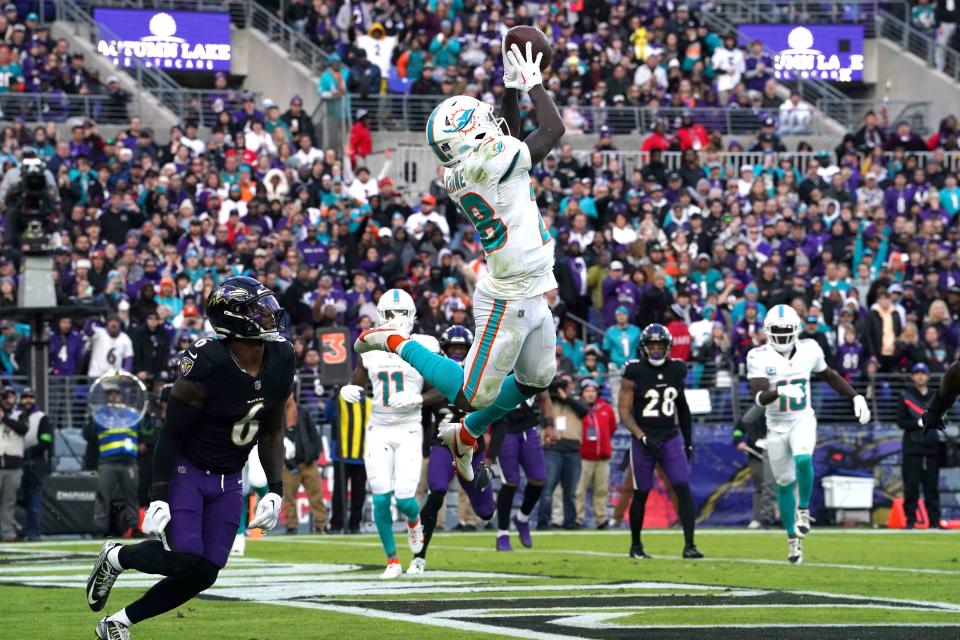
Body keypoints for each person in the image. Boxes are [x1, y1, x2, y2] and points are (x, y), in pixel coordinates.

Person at [354, 41, 565, 485]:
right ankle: (393, 340)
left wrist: (510, 88)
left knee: (538, 377)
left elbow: (505, 132)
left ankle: (466, 433)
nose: (491, 122)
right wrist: (533, 85)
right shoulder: (488, 162)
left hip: (530, 283)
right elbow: (552, 131)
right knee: (472, 392)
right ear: (468, 133)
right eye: (481, 120)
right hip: (508, 296)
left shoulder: (470, 165)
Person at [85, 276, 295, 640]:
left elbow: (272, 428)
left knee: (206, 571)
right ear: (232, 319)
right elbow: (171, 434)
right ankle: (117, 557)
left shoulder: (282, 356)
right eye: (257, 309)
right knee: (183, 558)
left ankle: (118, 622)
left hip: (230, 476)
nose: (268, 314)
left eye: (267, 306)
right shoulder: (207, 362)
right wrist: (159, 495)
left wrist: (275, 490)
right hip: (189, 470)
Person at [747, 304, 871, 565]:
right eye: (777, 330)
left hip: (802, 418)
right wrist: (779, 392)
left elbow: (829, 375)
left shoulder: (810, 349)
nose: (781, 335)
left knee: (803, 459)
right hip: (776, 424)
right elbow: (758, 396)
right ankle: (793, 537)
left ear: (796, 330)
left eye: (786, 330)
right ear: (768, 331)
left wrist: (855, 396)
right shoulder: (758, 356)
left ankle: (803, 509)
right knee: (783, 482)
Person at [339, 289, 433, 579]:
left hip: (409, 427)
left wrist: (419, 399)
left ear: (412, 316)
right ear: (380, 316)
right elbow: (357, 379)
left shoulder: (425, 344)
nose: (394, 319)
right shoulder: (370, 345)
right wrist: (349, 389)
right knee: (380, 498)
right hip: (379, 427)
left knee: (405, 499)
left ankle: (414, 522)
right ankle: (392, 559)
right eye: (389, 314)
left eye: (400, 314)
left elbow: (445, 386)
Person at [410, 325, 495, 573]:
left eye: (462, 348)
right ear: (445, 350)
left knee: (486, 512)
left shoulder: (481, 378)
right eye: (453, 348)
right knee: (436, 491)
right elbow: (425, 413)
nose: (458, 352)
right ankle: (419, 556)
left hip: (473, 449)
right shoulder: (434, 379)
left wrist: (489, 459)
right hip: (443, 447)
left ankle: (485, 480)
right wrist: (423, 448)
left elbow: (498, 419)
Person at [619, 324, 702, 560]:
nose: (656, 350)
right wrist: (641, 436)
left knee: (682, 488)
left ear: (668, 347)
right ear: (644, 348)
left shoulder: (677, 369)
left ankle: (690, 545)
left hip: (669, 435)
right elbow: (624, 411)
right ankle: (636, 545)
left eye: (660, 345)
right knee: (641, 491)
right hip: (643, 437)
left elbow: (682, 408)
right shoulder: (633, 370)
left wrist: (688, 441)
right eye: (652, 346)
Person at [489, 389, 553, 550]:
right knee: (510, 482)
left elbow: (544, 397)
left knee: (538, 478)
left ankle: (522, 519)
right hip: (503, 428)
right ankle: (502, 533)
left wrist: (550, 425)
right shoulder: (496, 366)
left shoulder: (530, 366)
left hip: (528, 427)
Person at [86, 380, 141, 538]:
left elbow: (146, 432)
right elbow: (88, 436)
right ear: (107, 397)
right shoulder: (100, 415)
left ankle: (134, 528)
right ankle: (99, 528)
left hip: (129, 461)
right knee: (103, 495)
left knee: (132, 496)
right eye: (110, 394)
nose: (114, 397)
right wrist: (89, 420)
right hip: (107, 462)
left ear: (122, 396)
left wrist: (148, 417)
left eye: (116, 394)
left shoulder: (132, 414)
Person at [539, 374, 586, 530]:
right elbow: (539, 412)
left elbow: (584, 410)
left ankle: (571, 521)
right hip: (553, 449)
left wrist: (565, 397)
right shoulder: (548, 402)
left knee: (570, 491)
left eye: (566, 382)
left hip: (573, 450)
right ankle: (543, 521)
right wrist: (551, 392)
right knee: (548, 488)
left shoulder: (576, 401)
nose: (561, 385)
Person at [897, 363, 940, 528]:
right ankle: (910, 521)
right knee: (911, 487)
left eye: (923, 373)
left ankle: (935, 522)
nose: (920, 376)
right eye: (917, 373)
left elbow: (943, 417)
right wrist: (919, 422)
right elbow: (901, 422)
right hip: (912, 448)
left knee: (932, 487)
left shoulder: (936, 397)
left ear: (928, 376)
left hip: (931, 446)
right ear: (913, 376)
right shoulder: (905, 396)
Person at [282, 391, 327, 534]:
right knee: (289, 498)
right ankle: (291, 526)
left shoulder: (303, 412)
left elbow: (314, 434)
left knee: (316, 496)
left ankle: (321, 525)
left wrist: (313, 455)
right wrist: (285, 460)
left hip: (308, 463)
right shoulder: (277, 414)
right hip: (289, 466)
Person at [575, 379, 617, 528]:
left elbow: (612, 427)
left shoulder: (606, 408)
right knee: (579, 490)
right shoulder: (577, 408)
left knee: (601, 490)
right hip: (583, 457)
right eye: (587, 391)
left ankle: (601, 518)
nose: (590, 394)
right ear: (582, 393)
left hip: (602, 457)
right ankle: (578, 518)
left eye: (593, 391)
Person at [330, 384, 369, 535]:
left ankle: (354, 525)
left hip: (362, 456)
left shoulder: (370, 403)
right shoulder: (338, 401)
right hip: (342, 456)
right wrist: (332, 397)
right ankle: (336, 524)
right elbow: (328, 415)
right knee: (339, 493)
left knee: (359, 493)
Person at [14, 387, 52, 541]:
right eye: (25, 397)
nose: (28, 400)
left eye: (30, 397)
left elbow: (46, 440)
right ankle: (14, 531)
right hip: (15, 461)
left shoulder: (42, 417)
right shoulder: (14, 415)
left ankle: (33, 532)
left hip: (35, 463)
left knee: (34, 501)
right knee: (12, 500)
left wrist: (30, 451)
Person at [732, 404, 776, 529]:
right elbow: (738, 429)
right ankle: (760, 518)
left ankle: (785, 517)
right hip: (756, 455)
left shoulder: (779, 410)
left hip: (778, 453)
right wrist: (738, 441)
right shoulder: (751, 411)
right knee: (762, 485)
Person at [0, 387, 26, 542]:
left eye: (10, 397)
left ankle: (7, 532)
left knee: (8, 502)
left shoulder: (19, 414)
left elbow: (23, 428)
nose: (7, 400)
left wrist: (4, 419)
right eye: (4, 397)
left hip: (13, 465)